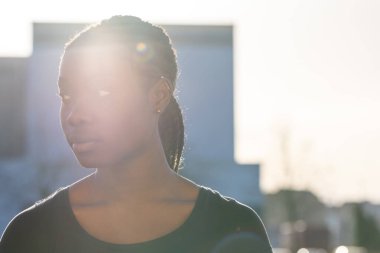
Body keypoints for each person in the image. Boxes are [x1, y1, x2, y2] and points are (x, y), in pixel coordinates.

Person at [0, 15, 273, 253]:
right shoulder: (30, 234)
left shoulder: (232, 229)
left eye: (102, 91)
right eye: (67, 95)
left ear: (158, 95)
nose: (75, 114)